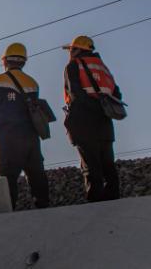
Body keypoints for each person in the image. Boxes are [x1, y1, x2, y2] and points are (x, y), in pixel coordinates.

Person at [0, 43, 49, 209]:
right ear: (23, 61)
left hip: (8, 135)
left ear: (5, 60)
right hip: (31, 135)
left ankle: (10, 211)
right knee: (36, 174)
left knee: (8, 176)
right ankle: (44, 209)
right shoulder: (32, 83)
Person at [62, 35, 122, 202]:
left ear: (78, 50)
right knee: (108, 164)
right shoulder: (103, 68)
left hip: (84, 121)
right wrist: (101, 109)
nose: (70, 53)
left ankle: (96, 204)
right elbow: (117, 94)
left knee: (90, 165)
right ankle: (114, 201)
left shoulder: (73, 66)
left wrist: (90, 107)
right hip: (105, 122)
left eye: (71, 49)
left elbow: (75, 94)